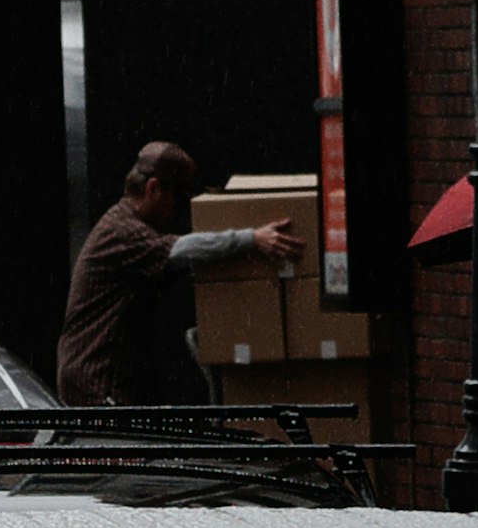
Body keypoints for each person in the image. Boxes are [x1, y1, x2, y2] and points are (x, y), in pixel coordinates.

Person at [56, 142, 302, 406]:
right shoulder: (122, 231)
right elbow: (181, 250)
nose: (176, 208)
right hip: (95, 376)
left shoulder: (133, 229)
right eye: (177, 197)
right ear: (153, 188)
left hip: (108, 375)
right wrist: (251, 238)